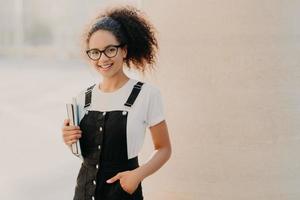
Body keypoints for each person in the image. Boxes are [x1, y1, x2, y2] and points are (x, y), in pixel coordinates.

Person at [61, 5, 172, 200]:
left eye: (110, 50)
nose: (102, 58)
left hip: (123, 193)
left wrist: (138, 175)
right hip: (83, 193)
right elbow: (85, 154)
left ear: (124, 51)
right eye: (95, 52)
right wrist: (69, 140)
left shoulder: (147, 95)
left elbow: (164, 148)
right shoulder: (82, 99)